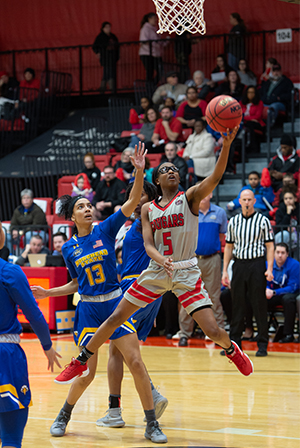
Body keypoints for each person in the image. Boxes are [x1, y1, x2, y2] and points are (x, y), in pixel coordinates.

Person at [54, 126, 256, 389]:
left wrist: (226, 145)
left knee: (213, 330)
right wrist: (160, 260)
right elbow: (149, 245)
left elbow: (215, 177)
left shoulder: (190, 197)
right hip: (157, 270)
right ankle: (81, 360)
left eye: (174, 169)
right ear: (157, 182)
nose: (171, 171)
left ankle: (232, 350)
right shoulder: (148, 208)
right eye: (164, 170)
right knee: (115, 317)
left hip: (186, 271)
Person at [31, 144, 168, 443]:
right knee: (87, 373)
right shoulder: (68, 248)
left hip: (117, 305)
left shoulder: (106, 229)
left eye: (88, 205)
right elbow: (76, 284)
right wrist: (47, 292)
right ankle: (63, 415)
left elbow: (133, 199)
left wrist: (140, 169)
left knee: (136, 363)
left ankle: (151, 423)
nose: (87, 209)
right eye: (81, 207)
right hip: (89, 311)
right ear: (73, 217)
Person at [96, 181, 168, 428]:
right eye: (132, 196)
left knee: (121, 350)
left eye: (141, 195)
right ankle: (115, 410)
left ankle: (144, 398)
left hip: (137, 288)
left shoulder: (148, 221)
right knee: (118, 349)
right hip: (144, 289)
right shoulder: (144, 222)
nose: (136, 200)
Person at [0, 221, 61, 448]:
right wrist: (47, 346)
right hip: (5, 356)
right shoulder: (9, 271)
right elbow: (35, 316)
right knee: (11, 440)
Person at [222, 189, 275, 357]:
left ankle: (262, 344)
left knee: (259, 304)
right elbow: (229, 247)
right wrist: (224, 271)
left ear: (254, 201)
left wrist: (270, 268)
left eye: (249, 200)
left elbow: (270, 246)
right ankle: (235, 345)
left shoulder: (263, 220)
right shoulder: (233, 221)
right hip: (239, 264)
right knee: (237, 304)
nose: (246, 202)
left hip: (257, 264)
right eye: (244, 199)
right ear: (239, 201)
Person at [173, 191, 227, 346]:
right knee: (187, 295)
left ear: (211, 195)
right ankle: (184, 333)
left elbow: (222, 236)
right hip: (191, 260)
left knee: (214, 296)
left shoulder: (220, 212)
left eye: (207, 193)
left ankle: (217, 331)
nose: (203, 196)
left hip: (212, 259)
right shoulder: (189, 213)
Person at [266, 243, 300, 343]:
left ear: (287, 254)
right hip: (273, 293)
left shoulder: (294, 265)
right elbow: (265, 281)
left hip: (289, 293)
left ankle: (288, 334)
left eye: (282, 253)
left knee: (288, 299)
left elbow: (293, 287)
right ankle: (262, 332)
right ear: (274, 253)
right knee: (259, 298)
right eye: (277, 252)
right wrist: (267, 289)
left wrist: (275, 292)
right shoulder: (268, 264)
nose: (280, 255)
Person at [92, 22, 119, 93]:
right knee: (108, 72)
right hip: (105, 58)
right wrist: (98, 52)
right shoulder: (101, 37)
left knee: (108, 73)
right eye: (106, 27)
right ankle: (110, 89)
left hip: (112, 57)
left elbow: (117, 46)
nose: (108, 29)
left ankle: (105, 88)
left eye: (109, 27)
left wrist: (117, 56)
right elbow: (95, 46)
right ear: (103, 28)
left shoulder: (113, 36)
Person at [139, 13, 163, 85]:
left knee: (160, 70)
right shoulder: (145, 28)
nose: (155, 20)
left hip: (155, 53)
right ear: (149, 19)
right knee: (150, 72)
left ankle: (152, 85)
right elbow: (143, 41)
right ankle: (149, 87)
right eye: (154, 18)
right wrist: (154, 43)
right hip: (147, 53)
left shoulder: (154, 28)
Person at [240, 86, 265, 153]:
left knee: (249, 125)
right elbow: (238, 116)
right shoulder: (241, 103)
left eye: (252, 92)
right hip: (244, 123)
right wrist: (248, 119)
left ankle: (253, 149)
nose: (250, 94)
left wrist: (244, 118)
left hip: (258, 124)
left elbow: (257, 116)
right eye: (249, 92)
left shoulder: (259, 103)